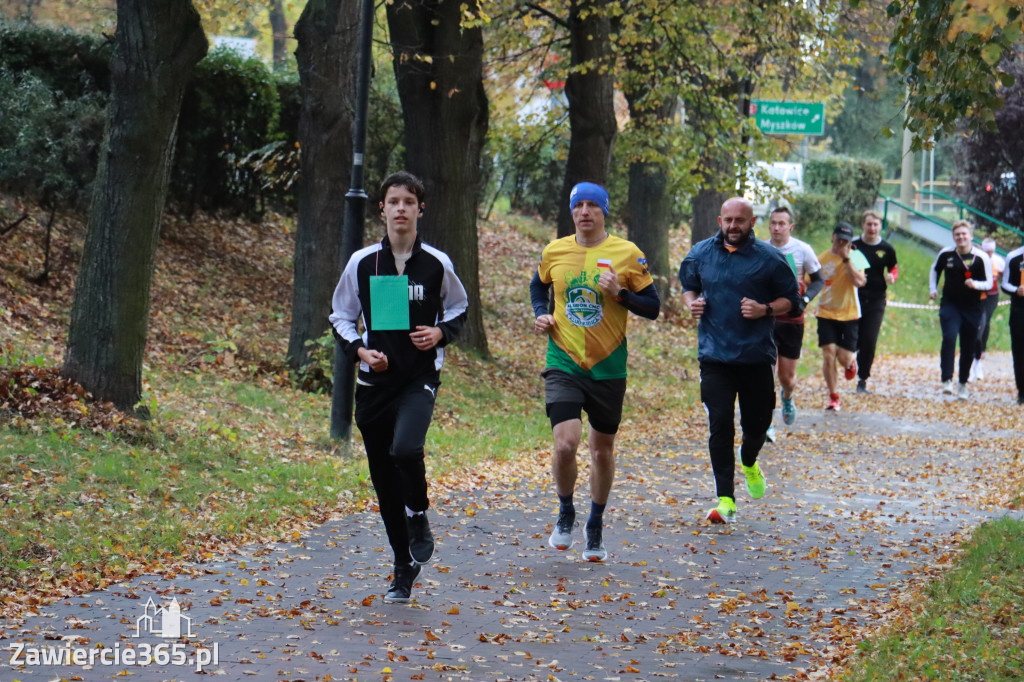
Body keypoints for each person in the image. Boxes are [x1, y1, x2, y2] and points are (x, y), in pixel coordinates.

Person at [329, 171, 469, 603]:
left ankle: (419, 514)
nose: (402, 208)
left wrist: (441, 333)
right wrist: (360, 352)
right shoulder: (364, 263)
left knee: (406, 449)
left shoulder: (437, 264)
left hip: (418, 379)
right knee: (384, 481)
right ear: (383, 209)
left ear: (420, 209)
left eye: (410, 201)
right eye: (394, 201)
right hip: (374, 384)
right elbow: (340, 315)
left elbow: (460, 307)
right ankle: (402, 566)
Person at [530, 182, 660, 560]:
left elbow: (653, 307)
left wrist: (621, 293)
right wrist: (541, 313)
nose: (585, 211)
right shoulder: (555, 250)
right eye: (579, 205)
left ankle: (596, 524)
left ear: (604, 211)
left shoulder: (627, 253)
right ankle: (566, 510)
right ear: (572, 211)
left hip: (608, 366)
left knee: (602, 452)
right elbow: (538, 286)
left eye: (592, 205)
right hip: (564, 361)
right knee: (566, 443)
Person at [679, 197, 800, 524]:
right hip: (714, 357)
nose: (733, 226)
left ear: (751, 223)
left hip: (755, 357)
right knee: (720, 424)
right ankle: (725, 500)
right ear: (720, 220)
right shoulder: (701, 253)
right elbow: (688, 285)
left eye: (740, 221)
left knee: (756, 427)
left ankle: (749, 461)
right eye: (728, 220)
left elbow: (795, 301)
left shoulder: (771, 259)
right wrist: (692, 304)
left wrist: (765, 309)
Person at [763, 206, 823, 430]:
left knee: (787, 378)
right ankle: (766, 421)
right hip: (766, 318)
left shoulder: (802, 250)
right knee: (765, 374)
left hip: (792, 320)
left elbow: (818, 280)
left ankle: (787, 397)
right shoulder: (761, 248)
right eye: (773, 223)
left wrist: (805, 300)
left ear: (790, 226)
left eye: (781, 223)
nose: (776, 227)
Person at [929, 219, 992, 400]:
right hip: (950, 304)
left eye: (964, 234)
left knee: (968, 346)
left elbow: (989, 283)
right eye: (957, 235)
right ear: (953, 237)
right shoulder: (946, 254)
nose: (961, 237)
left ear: (971, 236)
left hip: (972, 308)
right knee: (949, 337)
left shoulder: (981, 257)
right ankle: (946, 379)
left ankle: (962, 383)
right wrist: (933, 289)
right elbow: (934, 270)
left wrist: (975, 284)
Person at [816, 222, 867, 411]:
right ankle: (833, 397)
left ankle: (850, 362)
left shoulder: (857, 256)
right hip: (826, 312)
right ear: (833, 237)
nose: (841, 244)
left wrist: (846, 260)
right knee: (828, 354)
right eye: (839, 240)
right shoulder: (821, 258)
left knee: (843, 358)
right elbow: (810, 281)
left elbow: (860, 282)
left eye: (845, 241)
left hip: (850, 313)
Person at [852, 210, 898, 394]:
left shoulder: (887, 249)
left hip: (877, 298)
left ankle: (862, 378)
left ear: (880, 226)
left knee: (869, 340)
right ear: (863, 225)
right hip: (854, 296)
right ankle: (852, 358)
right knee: (853, 338)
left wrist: (891, 277)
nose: (872, 228)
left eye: (875, 225)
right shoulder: (854, 245)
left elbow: (893, 269)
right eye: (869, 224)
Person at [972, 237, 1005, 381]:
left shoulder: (996, 261)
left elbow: (1003, 275)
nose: (989, 254)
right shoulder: (973, 262)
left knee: (983, 324)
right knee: (972, 328)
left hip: (989, 296)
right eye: (987, 251)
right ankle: (969, 360)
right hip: (973, 298)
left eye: (992, 251)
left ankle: (979, 355)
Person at [1001, 244, 1024, 404]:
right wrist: (1016, 290)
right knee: (1020, 350)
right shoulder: (1014, 257)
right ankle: (1022, 390)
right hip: (1019, 310)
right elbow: (1005, 284)